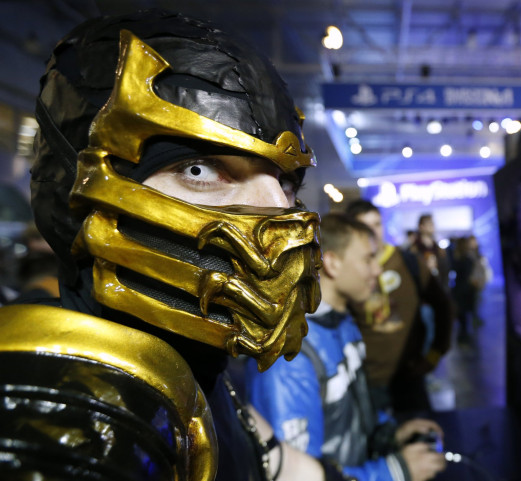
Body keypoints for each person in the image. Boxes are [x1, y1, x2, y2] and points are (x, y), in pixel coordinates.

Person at [0, 10, 345, 480]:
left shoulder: (196, 367)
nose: (279, 212)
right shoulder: (76, 413)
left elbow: (266, 456)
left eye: (286, 181)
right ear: (75, 192)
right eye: (199, 169)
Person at [245, 213, 447, 481]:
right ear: (333, 263)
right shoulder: (289, 352)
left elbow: (350, 421)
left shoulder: (344, 323)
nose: (377, 269)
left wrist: (388, 435)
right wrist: (393, 471)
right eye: (368, 259)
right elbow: (296, 473)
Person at [345, 200, 452, 413]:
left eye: (377, 224)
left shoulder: (407, 261)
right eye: (364, 226)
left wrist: (435, 353)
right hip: (368, 381)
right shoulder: (349, 269)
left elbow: (444, 306)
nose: (373, 231)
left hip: (410, 376)